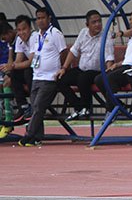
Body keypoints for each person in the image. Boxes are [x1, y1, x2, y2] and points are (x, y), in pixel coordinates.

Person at [18, 8, 67, 147]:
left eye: (43, 18)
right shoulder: (36, 36)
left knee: (39, 106)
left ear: (49, 18)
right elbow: (34, 54)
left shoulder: (55, 34)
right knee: (35, 107)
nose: (40, 21)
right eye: (38, 18)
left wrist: (59, 68)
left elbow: (63, 52)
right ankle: (37, 137)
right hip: (37, 76)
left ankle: (28, 134)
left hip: (50, 78)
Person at [57, 10, 115, 121]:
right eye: (94, 22)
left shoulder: (106, 36)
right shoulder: (83, 32)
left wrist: (108, 72)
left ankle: (86, 108)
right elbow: (74, 51)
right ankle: (78, 107)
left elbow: (109, 57)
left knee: (83, 78)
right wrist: (64, 68)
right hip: (82, 68)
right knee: (60, 79)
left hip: (96, 71)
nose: (97, 24)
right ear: (87, 25)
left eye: (99, 21)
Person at [93, 10, 132, 116]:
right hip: (125, 67)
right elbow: (128, 59)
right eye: (130, 19)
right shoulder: (131, 39)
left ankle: (111, 109)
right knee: (99, 79)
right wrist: (116, 64)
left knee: (110, 78)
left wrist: (121, 33)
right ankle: (118, 105)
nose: (130, 22)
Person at [0, 15, 37, 123]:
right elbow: (17, 60)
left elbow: (31, 62)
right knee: (12, 75)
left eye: (24, 29)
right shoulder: (18, 40)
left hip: (38, 70)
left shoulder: (35, 37)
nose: (21, 32)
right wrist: (9, 69)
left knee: (27, 72)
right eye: (19, 30)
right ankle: (23, 106)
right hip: (29, 70)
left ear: (30, 28)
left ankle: (34, 105)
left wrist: (11, 67)